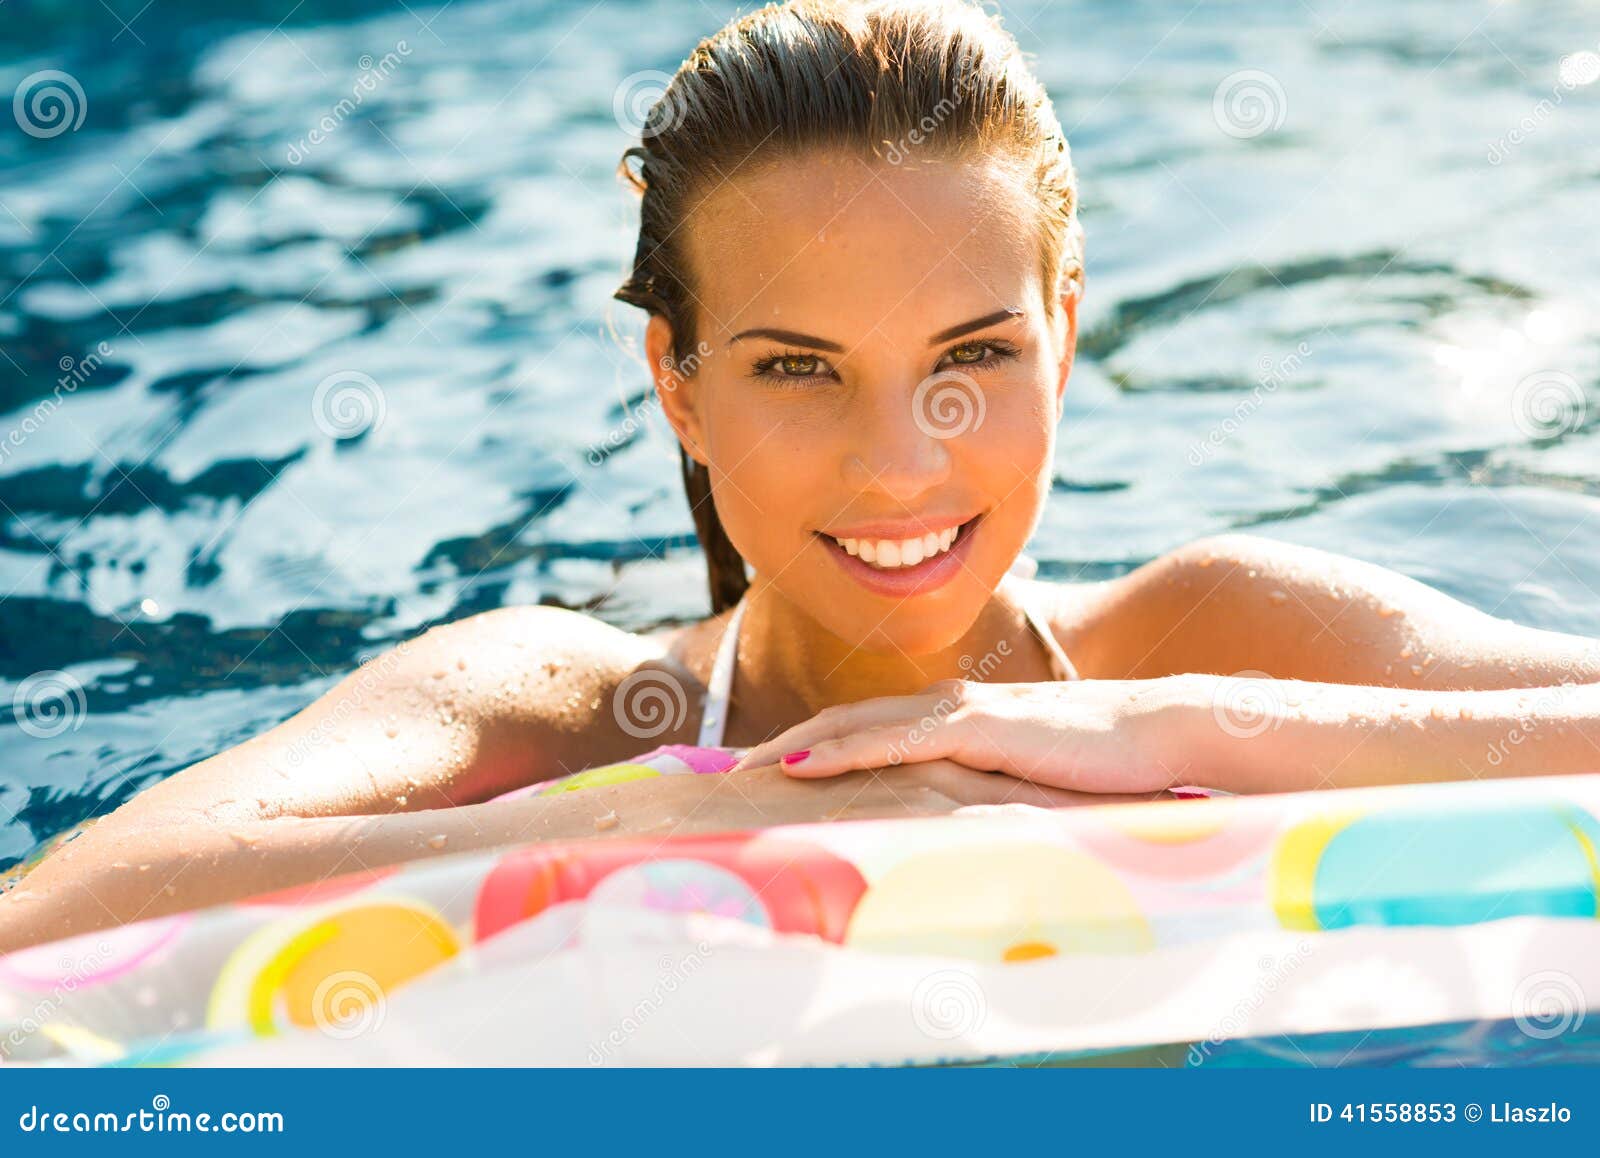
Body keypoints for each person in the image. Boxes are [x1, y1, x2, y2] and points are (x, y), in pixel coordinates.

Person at [1, 0, 1595, 953]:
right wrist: (682, 812)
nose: (901, 466)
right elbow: (59, 909)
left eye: (972, 357)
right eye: (794, 368)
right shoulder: (558, 701)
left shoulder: (1206, 631)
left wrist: (1163, 729)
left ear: (1067, 328)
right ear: (675, 383)